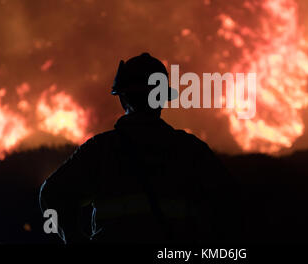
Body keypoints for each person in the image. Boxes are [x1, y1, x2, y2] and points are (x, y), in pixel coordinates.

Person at [39, 53, 235, 244]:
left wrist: (73, 238)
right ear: (162, 100)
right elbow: (229, 205)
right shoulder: (190, 150)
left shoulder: (102, 150)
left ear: (123, 98)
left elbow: (51, 194)